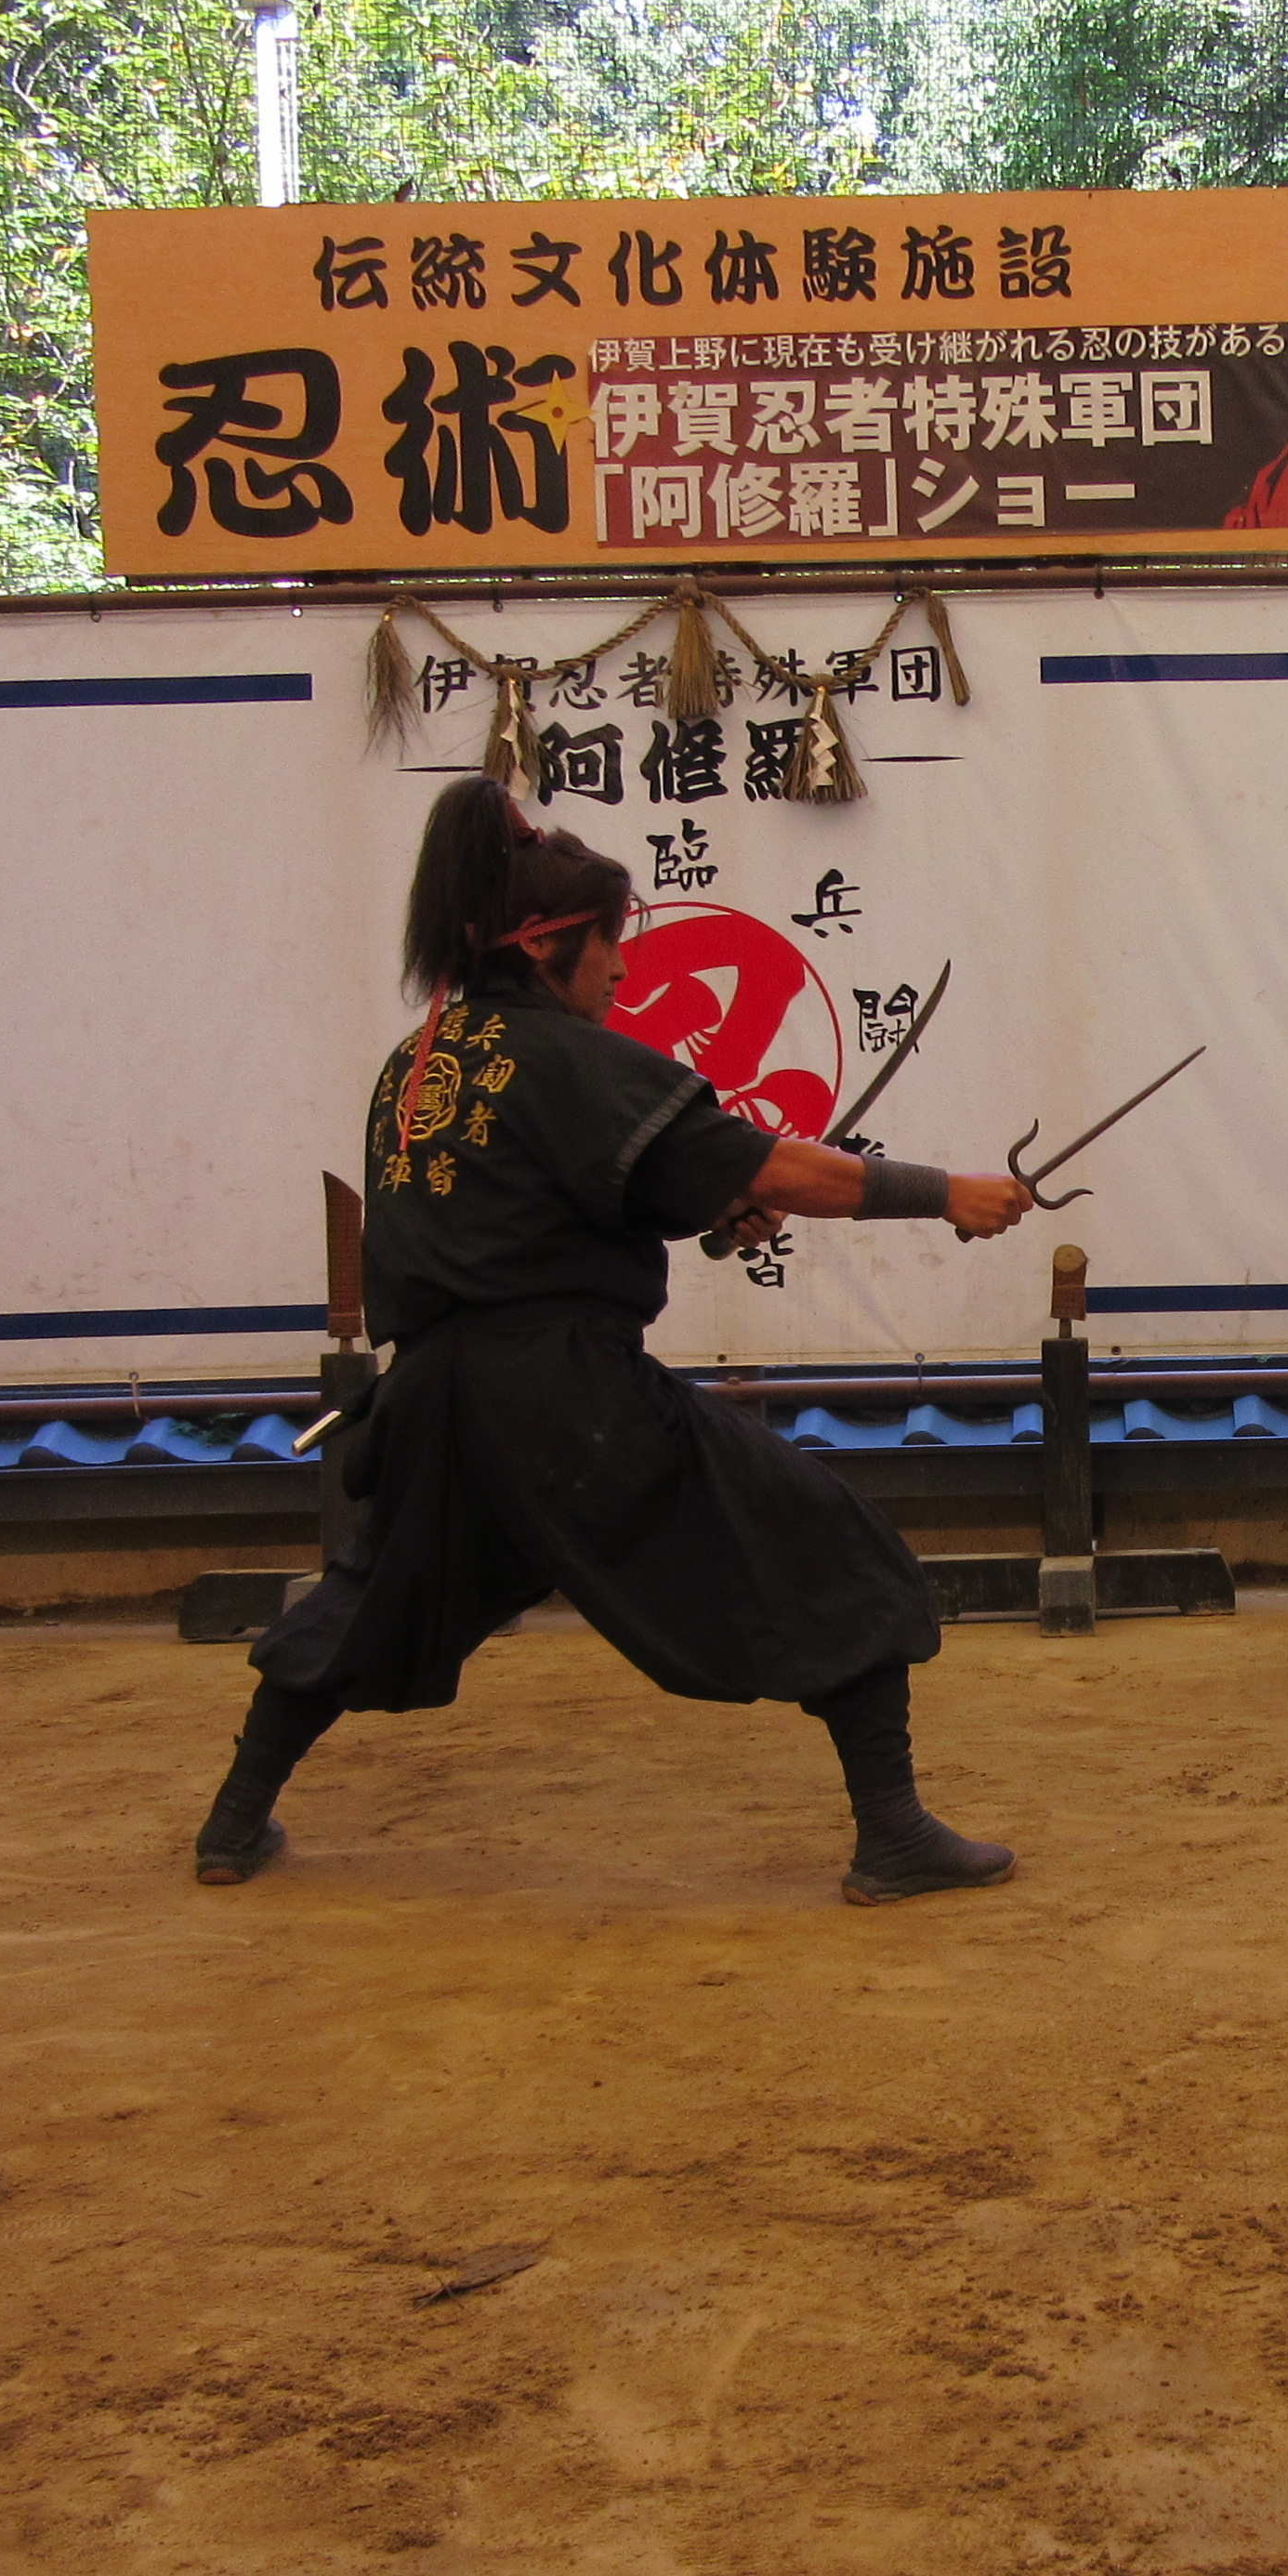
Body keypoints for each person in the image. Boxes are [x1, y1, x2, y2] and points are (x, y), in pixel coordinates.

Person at [194, 781, 1035, 1898]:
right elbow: (777, 1167)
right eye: (608, 944)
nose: (624, 971)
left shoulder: (421, 1062)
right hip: (566, 1401)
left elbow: (541, 1210)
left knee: (367, 1600)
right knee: (831, 1549)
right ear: (549, 946)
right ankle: (894, 1834)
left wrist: (708, 1205)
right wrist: (948, 1193)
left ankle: (231, 1824)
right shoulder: (573, 1060)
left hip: (437, 1403)